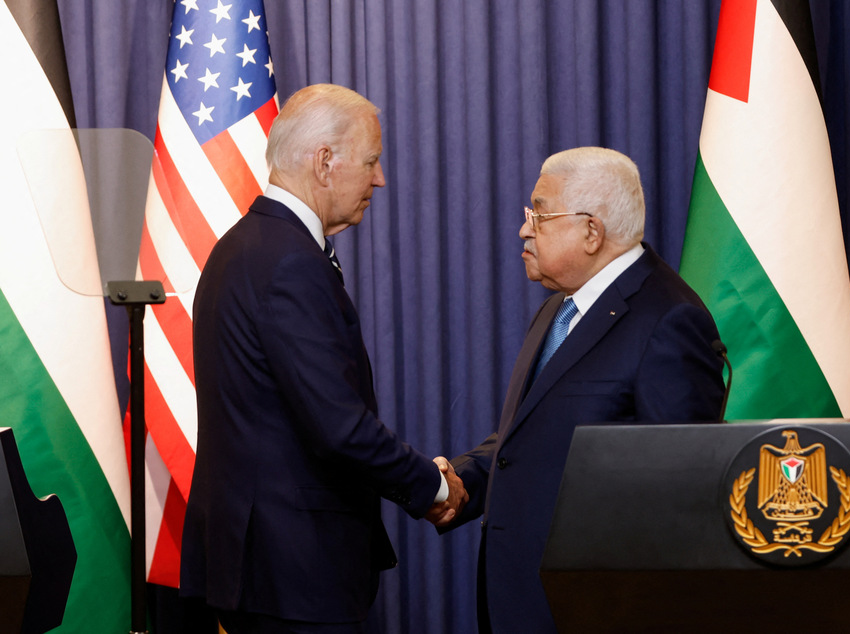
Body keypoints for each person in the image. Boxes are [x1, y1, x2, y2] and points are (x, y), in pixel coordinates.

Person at [180, 84, 467, 633]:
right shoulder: (288, 261)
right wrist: (431, 486)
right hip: (293, 572)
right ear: (325, 161)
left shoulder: (241, 247)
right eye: (372, 161)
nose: (379, 179)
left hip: (261, 567)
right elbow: (337, 426)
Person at [441, 147, 725, 632]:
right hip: (522, 599)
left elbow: (680, 495)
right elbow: (532, 437)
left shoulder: (671, 319)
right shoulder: (560, 307)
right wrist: (462, 479)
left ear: (592, 231)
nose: (524, 229)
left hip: (594, 609)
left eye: (540, 214)